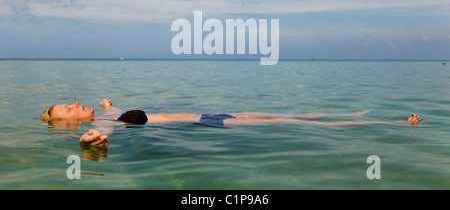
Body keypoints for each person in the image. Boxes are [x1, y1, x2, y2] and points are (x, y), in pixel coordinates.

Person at [40, 98, 420, 146]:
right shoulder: (106, 123)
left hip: (213, 114)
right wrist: (91, 139)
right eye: (67, 109)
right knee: (304, 127)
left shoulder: (108, 111)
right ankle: (396, 126)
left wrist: (108, 103)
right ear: (68, 124)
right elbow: (103, 130)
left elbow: (109, 112)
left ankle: (354, 114)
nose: (75, 103)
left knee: (290, 113)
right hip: (211, 126)